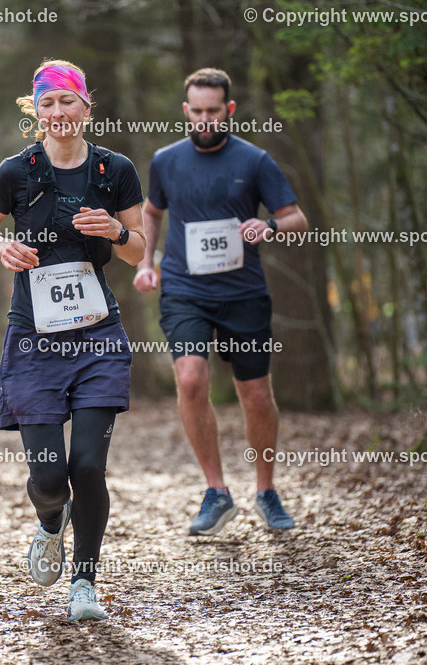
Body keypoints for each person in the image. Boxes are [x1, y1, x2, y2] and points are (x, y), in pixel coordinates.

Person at [0, 59, 146, 621]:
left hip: (97, 337)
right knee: (49, 476)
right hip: (34, 338)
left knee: (88, 467)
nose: (57, 111)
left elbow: (139, 249)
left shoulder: (114, 169)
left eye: (67, 100)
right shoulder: (15, 171)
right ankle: (51, 521)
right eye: (46, 103)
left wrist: (116, 231)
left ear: (86, 107)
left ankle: (85, 584)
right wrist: (2, 248)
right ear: (36, 111)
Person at [133, 68, 309, 534]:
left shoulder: (254, 160)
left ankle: (266, 491)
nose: (205, 119)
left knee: (256, 394)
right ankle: (217, 491)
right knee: (191, 378)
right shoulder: (166, 160)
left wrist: (268, 226)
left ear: (229, 110)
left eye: (214, 110)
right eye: (197, 111)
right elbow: (152, 211)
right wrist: (146, 263)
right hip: (185, 290)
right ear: (186, 111)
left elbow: (297, 219)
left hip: (243, 292)